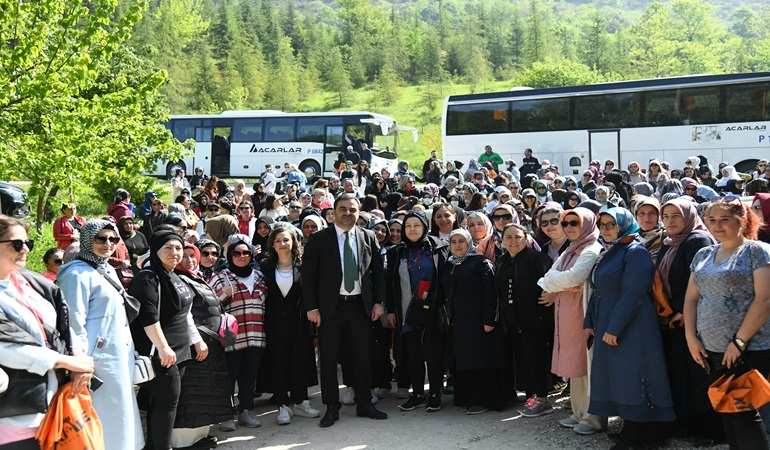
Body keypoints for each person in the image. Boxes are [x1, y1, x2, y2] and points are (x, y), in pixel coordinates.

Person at [0, 215, 95, 450]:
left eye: (27, 243)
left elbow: (63, 325)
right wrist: (67, 362)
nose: (25, 250)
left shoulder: (30, 283)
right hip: (14, 414)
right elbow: (7, 349)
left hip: (55, 404)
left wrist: (78, 357)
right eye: (16, 244)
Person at [585, 208, 676, 449]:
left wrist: (615, 328)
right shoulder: (611, 251)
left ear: (624, 224)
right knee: (619, 376)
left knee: (634, 375)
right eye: (602, 225)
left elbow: (633, 293)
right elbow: (598, 290)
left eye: (611, 224)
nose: (605, 229)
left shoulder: (635, 252)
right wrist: (589, 323)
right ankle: (631, 427)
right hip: (609, 320)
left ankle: (644, 432)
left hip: (633, 324)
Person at [685, 197, 770, 450]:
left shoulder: (757, 251)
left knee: (743, 413)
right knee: (726, 410)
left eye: (724, 220)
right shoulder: (704, 254)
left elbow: (765, 299)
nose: (717, 225)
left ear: (742, 220)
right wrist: (691, 337)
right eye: (712, 220)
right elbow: (691, 299)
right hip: (711, 348)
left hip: (749, 347)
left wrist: (739, 342)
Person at [57, 219, 145, 450]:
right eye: (101, 238)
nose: (108, 244)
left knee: (121, 410)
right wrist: (80, 363)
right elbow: (73, 323)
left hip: (118, 354)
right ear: (87, 240)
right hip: (96, 360)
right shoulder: (75, 274)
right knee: (103, 414)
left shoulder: (106, 269)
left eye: (113, 239)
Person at [302, 193, 387, 427]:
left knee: (362, 356)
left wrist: (379, 302)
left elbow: (378, 272)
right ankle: (331, 406)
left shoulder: (368, 236)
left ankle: (364, 403)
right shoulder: (319, 239)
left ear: (358, 212)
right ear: (334, 212)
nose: (347, 213)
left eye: (352, 209)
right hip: (330, 308)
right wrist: (312, 307)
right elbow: (308, 277)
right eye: (343, 209)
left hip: (360, 307)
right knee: (329, 360)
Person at [655, 199, 721, 443]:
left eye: (676, 216)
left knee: (699, 373)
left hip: (694, 318)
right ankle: (688, 424)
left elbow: (702, 279)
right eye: (666, 216)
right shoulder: (670, 242)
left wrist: (684, 311)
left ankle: (712, 429)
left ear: (689, 217)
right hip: (674, 318)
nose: (670, 221)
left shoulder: (697, 241)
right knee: (682, 372)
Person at [540, 207, 606, 436]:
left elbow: (575, 277)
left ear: (586, 224)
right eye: (565, 223)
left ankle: (593, 417)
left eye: (574, 223)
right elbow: (548, 277)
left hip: (583, 313)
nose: (568, 227)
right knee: (575, 364)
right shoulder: (571, 249)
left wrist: (560, 281)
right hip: (568, 313)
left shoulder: (592, 248)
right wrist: (563, 282)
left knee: (588, 364)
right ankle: (579, 412)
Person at [129, 231, 198, 450]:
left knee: (162, 403)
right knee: (167, 404)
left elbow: (184, 313)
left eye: (178, 248)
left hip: (179, 351)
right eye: (168, 248)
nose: (174, 252)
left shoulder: (173, 274)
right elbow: (148, 316)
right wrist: (163, 347)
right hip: (162, 353)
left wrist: (195, 340)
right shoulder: (148, 277)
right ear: (155, 251)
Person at [384, 211, 449, 412]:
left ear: (425, 227)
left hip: (433, 309)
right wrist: (391, 310)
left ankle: (435, 393)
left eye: (417, 225)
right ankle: (418, 394)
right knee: (412, 353)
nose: (412, 229)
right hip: (406, 310)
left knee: (434, 352)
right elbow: (389, 283)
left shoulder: (439, 247)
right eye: (408, 226)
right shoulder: (396, 252)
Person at [171, 243, 234, 447]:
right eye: (185, 255)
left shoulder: (194, 277)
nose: (189, 260)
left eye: (192, 255)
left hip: (209, 344)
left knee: (206, 393)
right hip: (195, 346)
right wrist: (196, 340)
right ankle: (184, 443)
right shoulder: (177, 279)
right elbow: (185, 314)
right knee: (192, 394)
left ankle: (199, 437)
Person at [443, 228, 508, 414]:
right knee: (465, 361)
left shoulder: (480, 263)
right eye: (453, 242)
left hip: (480, 322)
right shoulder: (449, 264)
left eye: (461, 241)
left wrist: (489, 319)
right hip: (459, 323)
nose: (457, 245)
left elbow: (491, 293)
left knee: (481, 360)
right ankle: (468, 398)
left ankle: (483, 400)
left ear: (469, 243)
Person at [261, 227, 320, 425]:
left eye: (286, 240)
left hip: (300, 323)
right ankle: (282, 406)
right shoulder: (265, 266)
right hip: (274, 324)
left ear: (294, 242)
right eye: (278, 240)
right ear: (272, 244)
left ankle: (301, 402)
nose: (282, 244)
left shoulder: (303, 266)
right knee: (278, 364)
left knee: (300, 362)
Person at [209, 236, 268, 431]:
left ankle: (246, 410)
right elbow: (208, 305)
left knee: (249, 376)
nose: (242, 256)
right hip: (231, 338)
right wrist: (224, 294)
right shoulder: (220, 277)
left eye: (246, 253)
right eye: (236, 253)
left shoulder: (259, 276)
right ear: (230, 255)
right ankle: (226, 414)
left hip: (256, 335)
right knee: (229, 376)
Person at [495, 224, 553, 417]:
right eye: (508, 237)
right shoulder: (503, 261)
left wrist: (542, 314)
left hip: (534, 320)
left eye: (517, 237)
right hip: (513, 322)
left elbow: (549, 285)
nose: (513, 241)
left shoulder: (535, 258)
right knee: (524, 359)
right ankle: (532, 397)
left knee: (537, 359)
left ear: (526, 238)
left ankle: (543, 399)